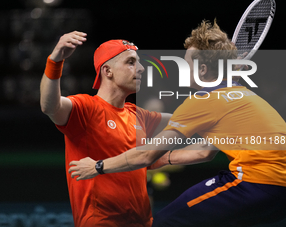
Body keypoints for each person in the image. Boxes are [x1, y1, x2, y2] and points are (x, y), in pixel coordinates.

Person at [68, 22, 286, 227]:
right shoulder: (241, 94)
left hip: (255, 183)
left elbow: (145, 155)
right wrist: (166, 159)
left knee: (164, 223)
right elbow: (204, 153)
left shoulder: (203, 101)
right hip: (278, 193)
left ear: (202, 70)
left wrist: (97, 166)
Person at [40, 31, 172, 227]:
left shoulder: (138, 115)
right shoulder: (86, 108)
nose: (141, 68)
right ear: (108, 71)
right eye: (131, 62)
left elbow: (188, 121)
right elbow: (50, 106)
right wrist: (55, 60)